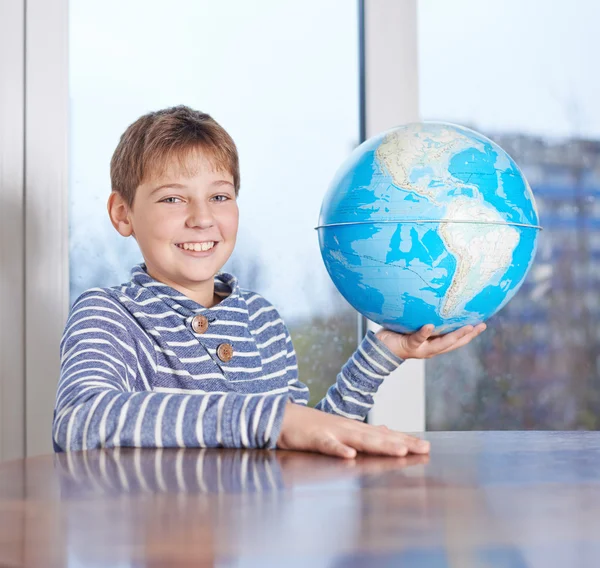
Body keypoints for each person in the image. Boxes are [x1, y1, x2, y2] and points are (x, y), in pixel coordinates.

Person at [52, 105, 485, 458]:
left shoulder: (260, 319)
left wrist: (383, 353)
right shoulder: (108, 315)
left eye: (219, 197)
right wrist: (277, 420)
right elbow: (80, 419)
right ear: (122, 213)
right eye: (172, 198)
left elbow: (306, 438)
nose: (202, 218)